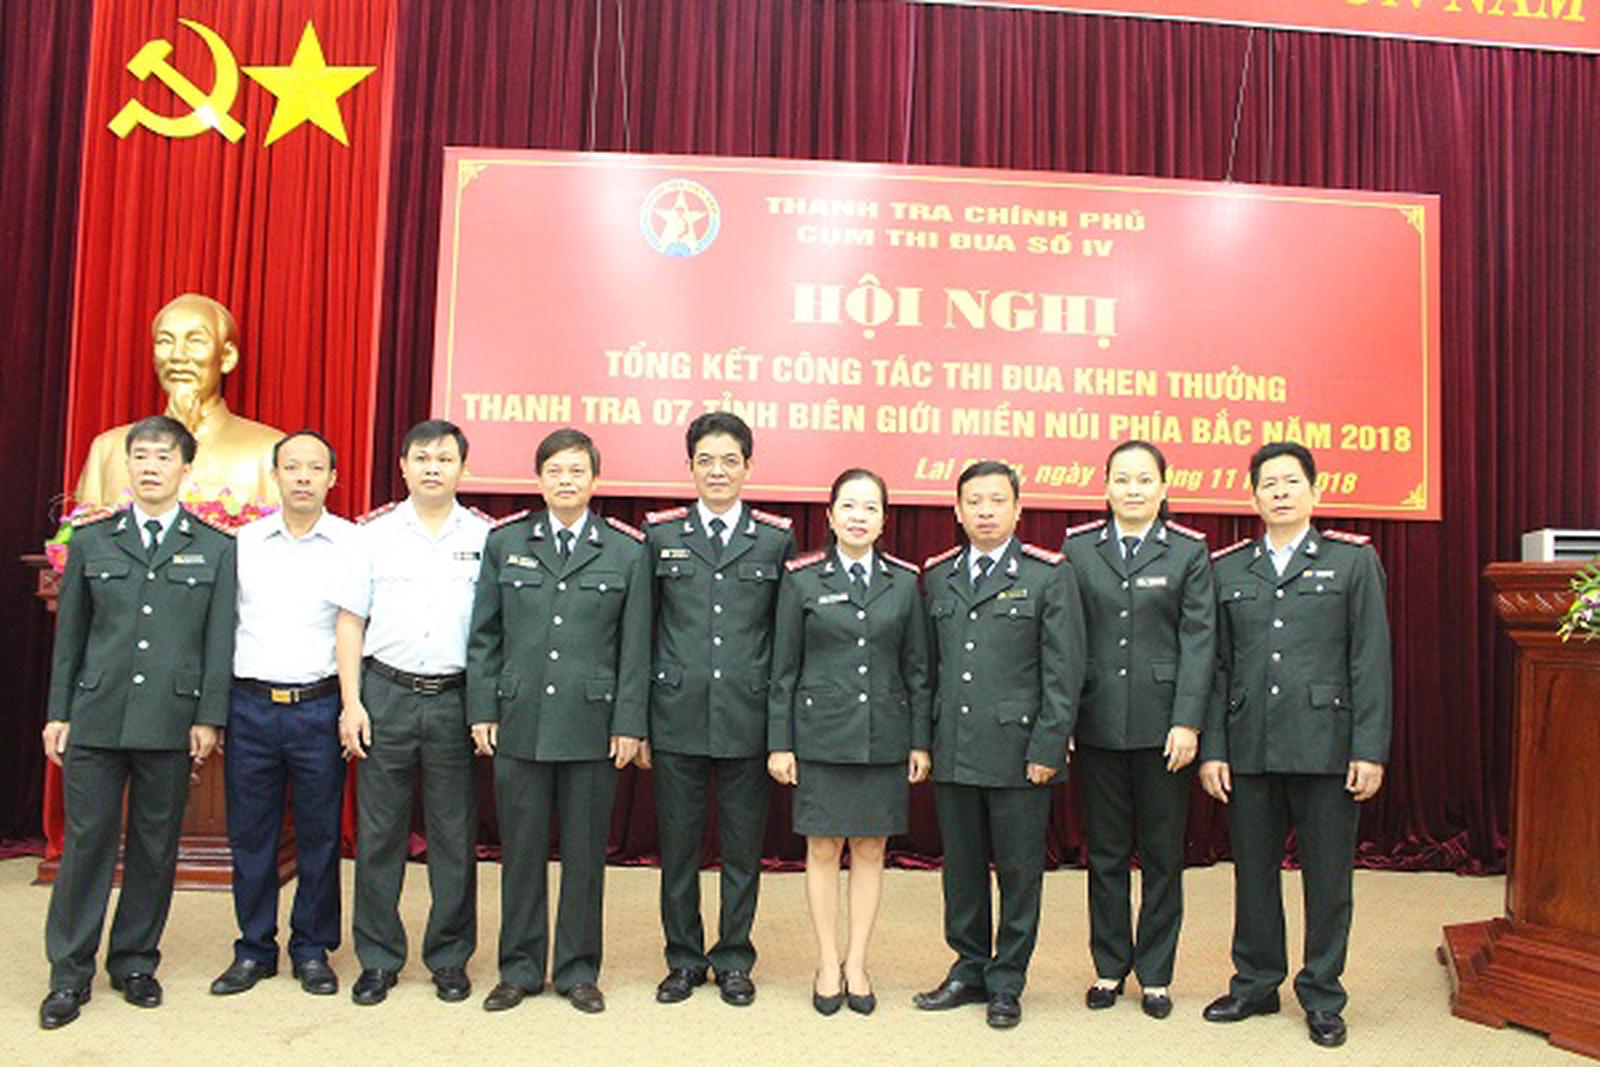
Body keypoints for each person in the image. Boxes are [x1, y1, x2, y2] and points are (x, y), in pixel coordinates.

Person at [39, 415, 237, 1030]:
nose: (151, 467)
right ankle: (69, 974)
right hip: (96, 717)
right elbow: (70, 639)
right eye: (141, 456)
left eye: (163, 457)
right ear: (128, 466)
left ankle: (134, 963)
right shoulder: (93, 541)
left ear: (186, 468)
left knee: (155, 848)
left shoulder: (216, 547)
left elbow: (218, 641)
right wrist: (59, 712)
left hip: (171, 721)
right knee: (87, 846)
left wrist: (209, 717)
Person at [1198, 441, 1392, 1049]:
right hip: (1249, 743)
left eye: (1291, 482)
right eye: (1269, 484)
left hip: (1326, 744)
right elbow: (1217, 667)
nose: (1280, 492)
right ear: (1253, 497)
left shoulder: (1352, 562)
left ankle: (1323, 993)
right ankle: (1256, 983)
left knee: (1328, 878)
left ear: (1315, 491)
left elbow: (1370, 660)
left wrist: (1369, 749)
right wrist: (1213, 748)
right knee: (1253, 873)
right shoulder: (1229, 568)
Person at [466, 427, 651, 1015]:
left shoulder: (625, 551)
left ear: (596, 480)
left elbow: (635, 648)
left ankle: (577, 970)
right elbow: (484, 635)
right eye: (555, 470)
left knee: (584, 856)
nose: (566, 480)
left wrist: (629, 723)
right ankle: (519, 969)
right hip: (520, 718)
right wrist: (483, 708)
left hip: (592, 725)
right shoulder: (507, 542)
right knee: (520, 853)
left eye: (576, 471)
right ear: (539, 479)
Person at [913, 460, 1086, 1029]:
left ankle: (1007, 980)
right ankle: (968, 968)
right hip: (955, 746)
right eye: (975, 502)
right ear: (957, 510)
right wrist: (924, 741)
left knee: (1018, 872)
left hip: (1019, 752)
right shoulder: (939, 575)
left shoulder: (1048, 575)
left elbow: (1064, 671)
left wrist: (1048, 747)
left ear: (1017, 508)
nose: (985, 511)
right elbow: (927, 670)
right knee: (961, 871)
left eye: (996, 501)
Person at [642, 412, 795, 1007]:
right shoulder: (661, 536)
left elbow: (784, 644)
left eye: (730, 460)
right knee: (678, 851)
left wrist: (780, 730)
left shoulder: (775, 540)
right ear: (689, 467)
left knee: (741, 851)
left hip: (746, 718)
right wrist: (639, 723)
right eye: (705, 460)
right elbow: (643, 632)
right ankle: (683, 959)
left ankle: (733, 958)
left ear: (748, 467)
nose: (717, 471)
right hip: (676, 715)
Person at [336, 419, 490, 1006]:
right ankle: (378, 959)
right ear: (402, 466)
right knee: (379, 836)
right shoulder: (371, 535)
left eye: (444, 459)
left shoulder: (485, 536)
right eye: (421, 458)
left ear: (463, 469)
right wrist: (352, 703)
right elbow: (350, 621)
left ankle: (449, 958)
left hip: (455, 699)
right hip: (386, 695)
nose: (432, 468)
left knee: (454, 836)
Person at [767, 468, 931, 1016]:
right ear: (830, 515)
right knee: (821, 848)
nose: (859, 517)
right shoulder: (801, 579)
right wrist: (780, 743)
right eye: (849, 507)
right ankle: (826, 961)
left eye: (870, 508)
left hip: (884, 737)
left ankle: (857, 961)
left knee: (870, 848)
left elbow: (918, 670)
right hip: (820, 737)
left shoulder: (903, 582)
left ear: (883, 520)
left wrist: (920, 742)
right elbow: (783, 670)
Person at [1061, 440, 1216, 1019]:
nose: (1132, 489)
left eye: (1144, 479)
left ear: (1163, 487)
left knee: (1161, 856)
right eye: (1122, 479)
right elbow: (1065, 639)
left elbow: (1199, 641)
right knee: (1104, 853)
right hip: (1097, 720)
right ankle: (1108, 967)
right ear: (1105, 486)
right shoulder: (1078, 549)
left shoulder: (1188, 551)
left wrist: (1187, 720)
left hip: (1163, 728)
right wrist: (1065, 717)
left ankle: (1155, 975)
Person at [210, 431, 361, 998]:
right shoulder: (242, 543)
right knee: (252, 836)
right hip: (249, 706)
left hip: (317, 706)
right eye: (292, 467)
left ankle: (311, 948)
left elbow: (353, 625)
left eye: (314, 468)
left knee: (320, 835)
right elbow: (221, 628)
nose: (302, 477)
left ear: (332, 479)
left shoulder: (350, 543)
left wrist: (350, 705)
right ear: (274, 475)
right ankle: (253, 948)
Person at [74, 293, 283, 506]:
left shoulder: (268, 452)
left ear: (227, 357)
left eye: (195, 341)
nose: (177, 356)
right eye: (165, 341)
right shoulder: (108, 450)